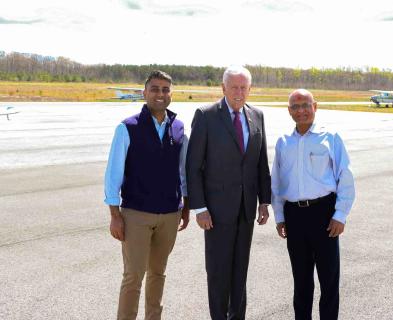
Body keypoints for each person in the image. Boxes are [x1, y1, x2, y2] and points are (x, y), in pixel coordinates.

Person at [186, 65, 271, 320]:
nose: (239, 92)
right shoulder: (206, 115)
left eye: (243, 87)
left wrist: (264, 201)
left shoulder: (257, 115)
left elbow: (260, 163)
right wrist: (199, 208)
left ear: (250, 89)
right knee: (219, 271)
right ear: (223, 88)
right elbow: (193, 166)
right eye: (234, 87)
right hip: (216, 211)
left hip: (246, 211)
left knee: (240, 272)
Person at [104, 70, 190, 320]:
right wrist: (114, 214)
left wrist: (185, 205)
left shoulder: (179, 127)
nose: (160, 94)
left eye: (165, 89)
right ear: (145, 93)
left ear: (171, 94)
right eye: (155, 89)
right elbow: (113, 174)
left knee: (158, 274)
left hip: (170, 214)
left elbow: (182, 171)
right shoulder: (127, 127)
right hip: (136, 214)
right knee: (133, 277)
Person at [271, 89, 355, 320]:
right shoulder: (283, 143)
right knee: (301, 280)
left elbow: (345, 176)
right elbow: (277, 182)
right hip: (294, 217)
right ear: (289, 112)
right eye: (295, 107)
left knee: (329, 280)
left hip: (324, 214)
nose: (301, 111)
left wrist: (340, 214)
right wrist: (279, 217)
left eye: (305, 105)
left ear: (315, 107)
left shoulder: (330, 138)